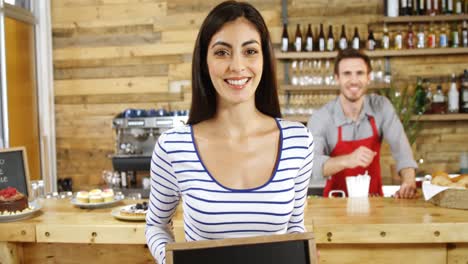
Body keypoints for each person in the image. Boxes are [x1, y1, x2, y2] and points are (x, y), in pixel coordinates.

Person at [145, 1, 314, 263]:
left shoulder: (298, 141)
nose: (237, 66)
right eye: (222, 52)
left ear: (264, 60)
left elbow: (294, 227)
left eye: (250, 51)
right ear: (204, 62)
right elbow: (156, 225)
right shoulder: (173, 147)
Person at [308, 48, 417, 199]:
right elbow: (311, 166)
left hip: (374, 202)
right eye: (347, 74)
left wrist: (409, 180)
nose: (354, 80)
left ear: (368, 77)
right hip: (334, 205)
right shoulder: (322, 118)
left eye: (359, 73)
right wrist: (348, 160)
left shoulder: (381, 107)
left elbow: (401, 149)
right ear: (337, 78)